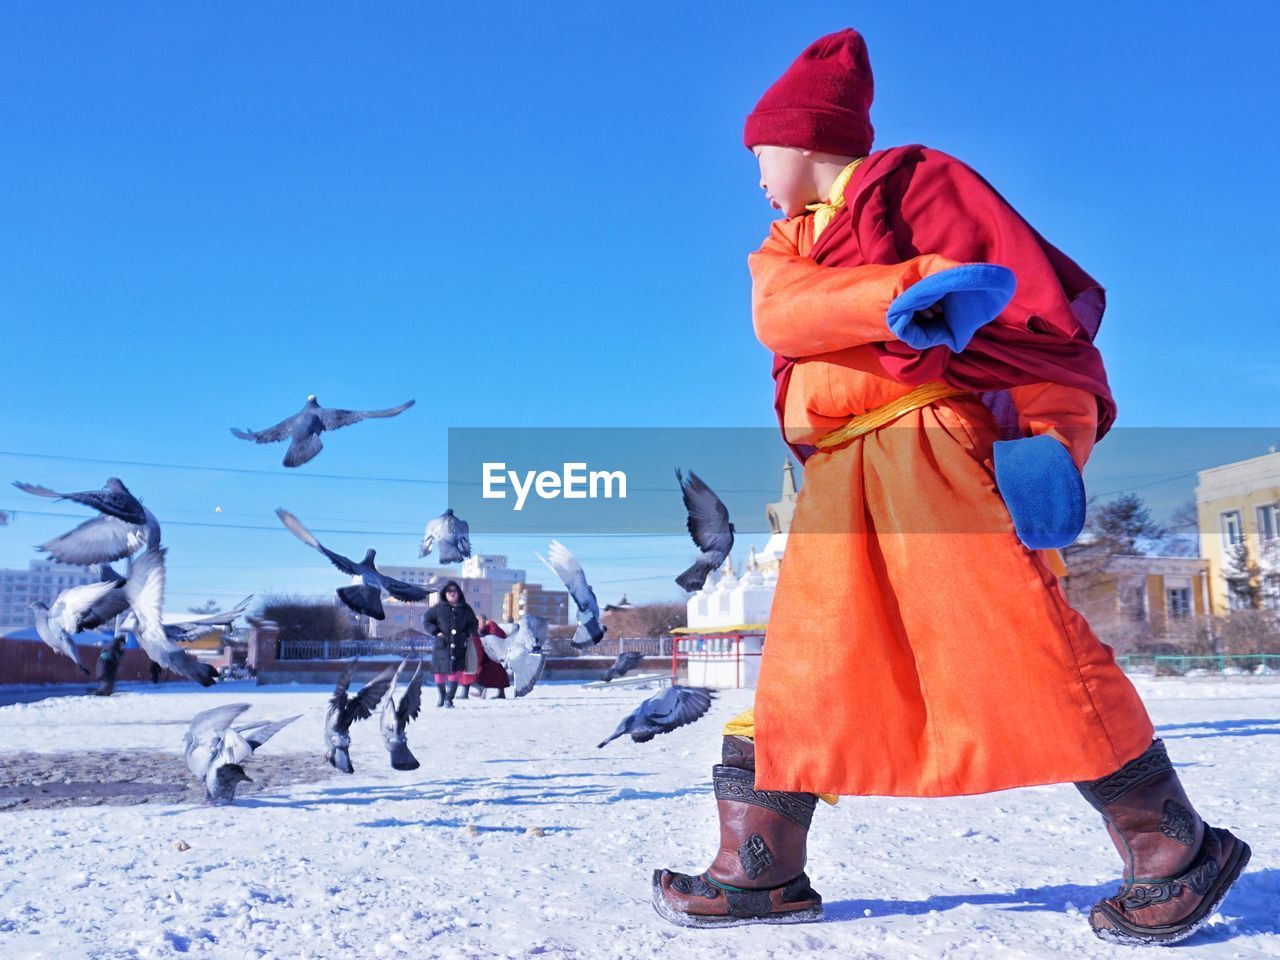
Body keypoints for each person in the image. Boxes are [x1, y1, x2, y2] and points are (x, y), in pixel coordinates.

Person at [652, 29, 1249, 944]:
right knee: (807, 664)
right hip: (844, 469)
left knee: (1020, 642)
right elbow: (780, 312)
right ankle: (760, 868)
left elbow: (1021, 313)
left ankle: (1175, 847)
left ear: (807, 142)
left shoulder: (920, 184)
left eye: (760, 153)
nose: (756, 173)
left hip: (932, 450)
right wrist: (913, 294)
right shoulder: (783, 244)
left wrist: (1047, 436)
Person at [423, 580, 477, 708]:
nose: (452, 593)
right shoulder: (437, 609)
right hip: (442, 646)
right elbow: (426, 621)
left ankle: (449, 699)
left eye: (454, 591)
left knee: (455, 672)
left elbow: (474, 623)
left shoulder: (466, 609)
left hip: (458, 646)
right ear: (444, 593)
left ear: (459, 593)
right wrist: (436, 632)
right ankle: (442, 697)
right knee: (439, 672)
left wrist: (467, 633)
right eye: (449, 591)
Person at [468, 614, 511, 700]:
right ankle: (487, 692)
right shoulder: (489, 626)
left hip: (495, 657)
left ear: (483, 620)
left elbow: (495, 638)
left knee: (491, 675)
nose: (478, 625)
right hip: (493, 656)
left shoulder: (491, 625)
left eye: (478, 622)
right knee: (491, 676)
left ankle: (487, 692)